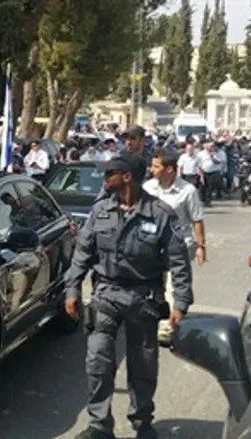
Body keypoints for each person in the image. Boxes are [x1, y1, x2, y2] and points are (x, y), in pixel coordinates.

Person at [63, 154, 193, 439]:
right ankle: (99, 424)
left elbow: (178, 261)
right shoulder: (100, 211)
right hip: (106, 294)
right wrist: (72, 289)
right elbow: (82, 254)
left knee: (143, 365)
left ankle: (142, 422)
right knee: (97, 360)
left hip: (142, 297)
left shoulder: (160, 214)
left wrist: (180, 302)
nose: (104, 178)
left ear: (127, 177)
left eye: (110, 173)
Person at [143, 150, 206, 345]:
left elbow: (197, 219)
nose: (152, 170)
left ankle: (168, 329)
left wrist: (201, 245)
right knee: (154, 286)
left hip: (179, 247)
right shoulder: (148, 188)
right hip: (151, 246)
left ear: (169, 169)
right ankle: (154, 319)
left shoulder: (188, 191)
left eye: (156, 166)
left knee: (173, 287)